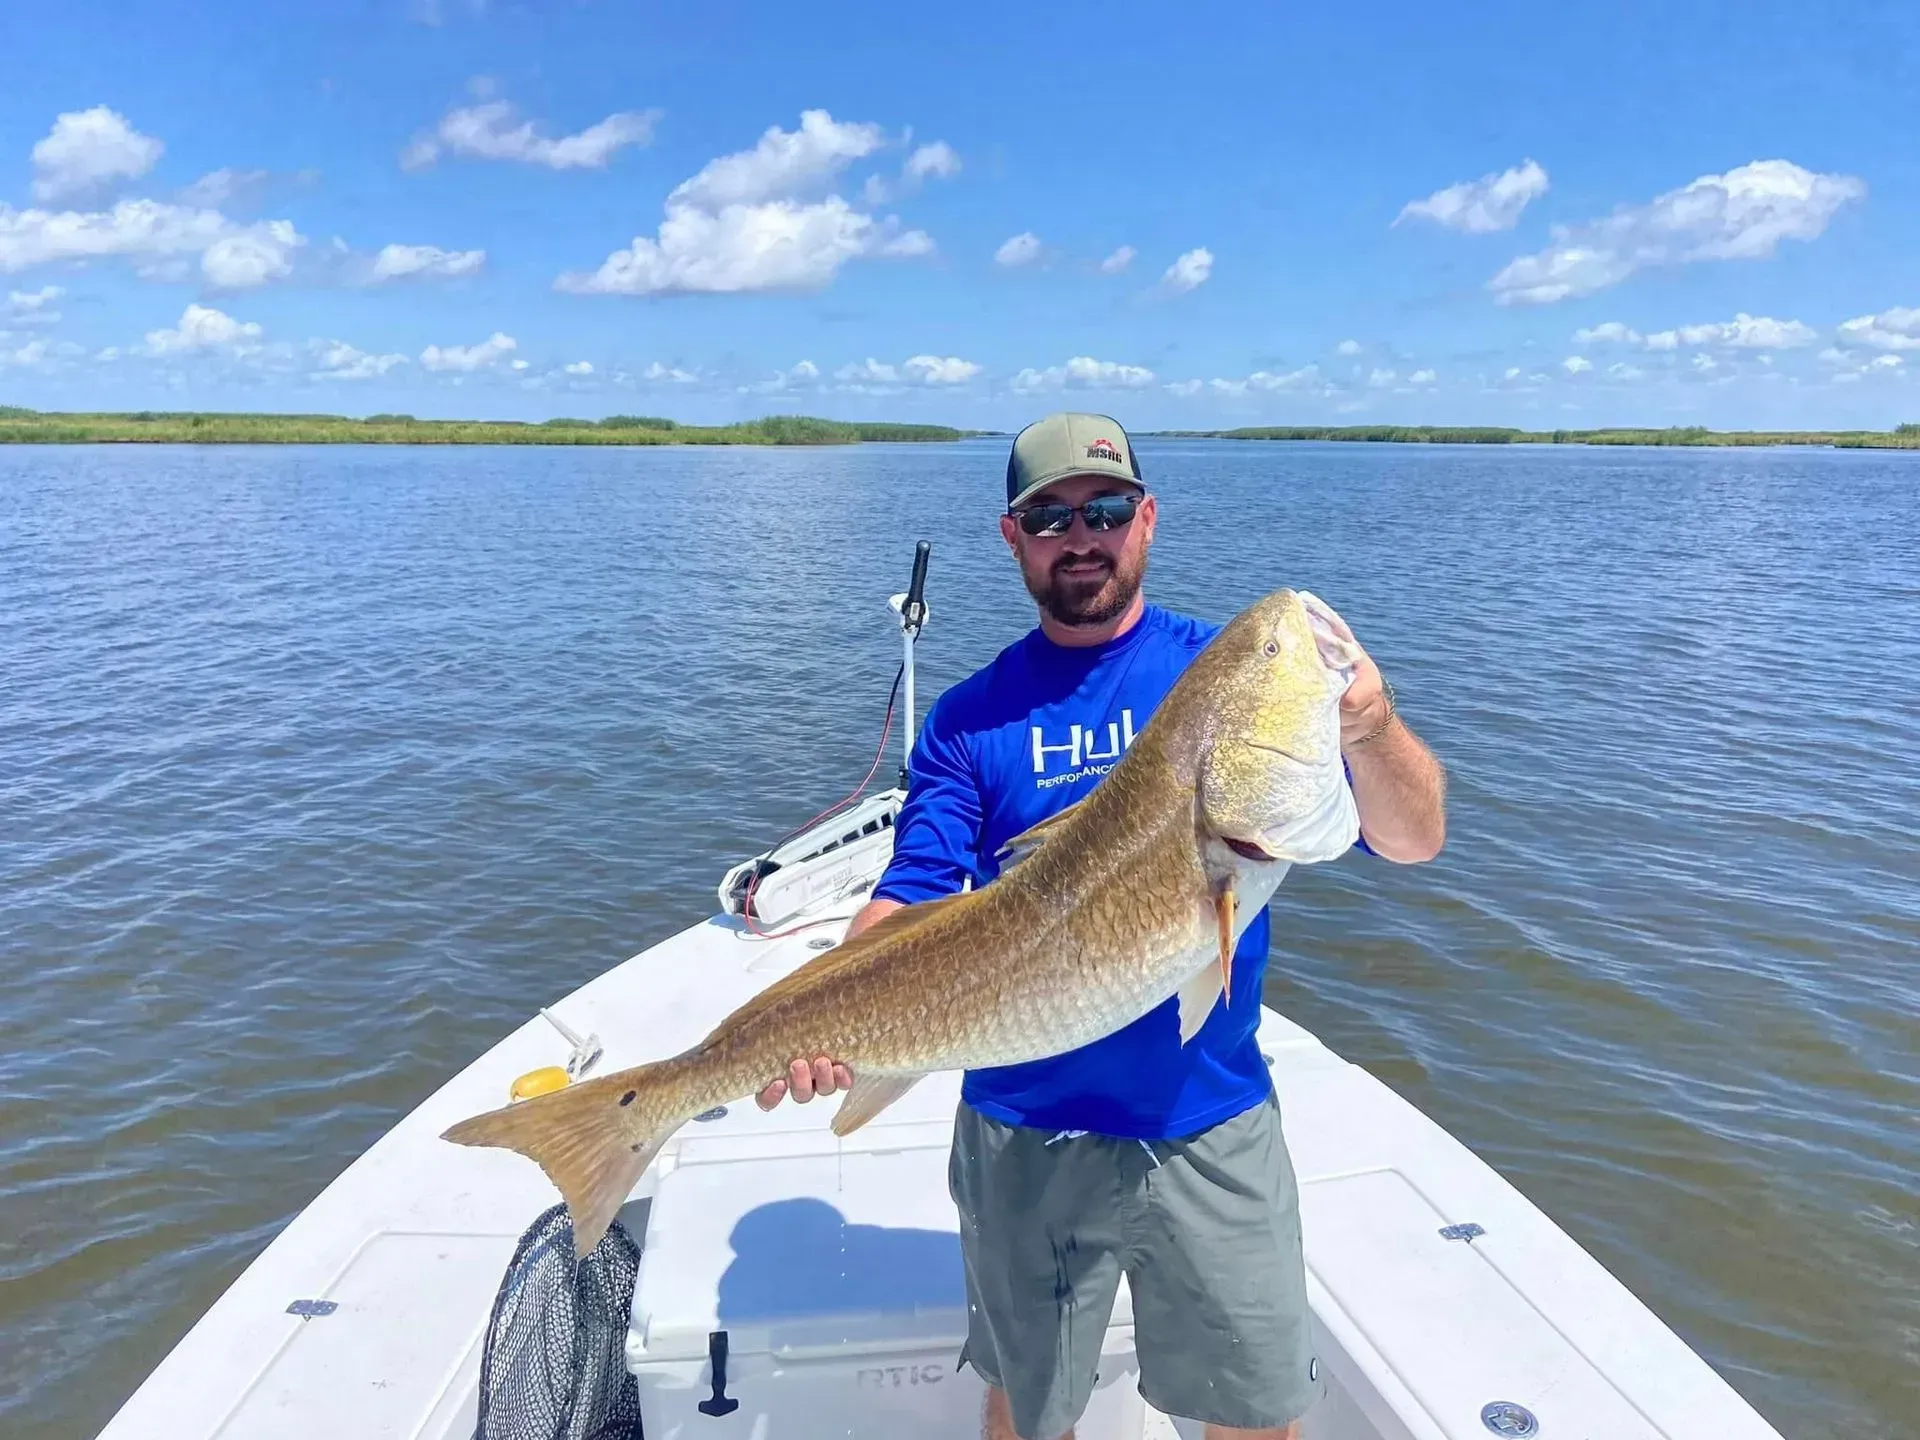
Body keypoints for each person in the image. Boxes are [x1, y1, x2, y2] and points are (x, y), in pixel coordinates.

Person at [757, 413, 1447, 1440]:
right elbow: (913, 891)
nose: (1082, 534)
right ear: (1013, 538)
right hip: (1024, 1129)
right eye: (1050, 516)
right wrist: (821, 1016)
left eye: (1107, 508)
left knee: (1257, 1415)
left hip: (1208, 1115)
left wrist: (1370, 723)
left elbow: (1412, 838)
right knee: (1031, 1417)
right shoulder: (968, 717)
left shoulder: (1218, 673)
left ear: (1148, 519)